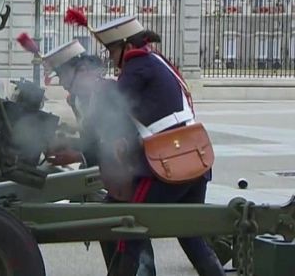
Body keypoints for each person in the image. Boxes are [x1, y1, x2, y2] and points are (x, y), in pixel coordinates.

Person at [83, 14, 224, 276]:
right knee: (190, 234)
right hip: (195, 157)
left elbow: (115, 107)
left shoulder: (136, 65)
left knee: (129, 225)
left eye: (112, 51)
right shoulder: (156, 60)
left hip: (165, 165)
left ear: (126, 46)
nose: (112, 59)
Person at [39, 39, 157, 276]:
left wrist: (77, 153)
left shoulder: (111, 93)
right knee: (108, 231)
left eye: (63, 76)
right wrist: (65, 143)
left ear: (82, 71)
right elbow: (91, 140)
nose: (61, 83)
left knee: (133, 237)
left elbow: (120, 138)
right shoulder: (79, 99)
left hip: (133, 174)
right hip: (111, 178)